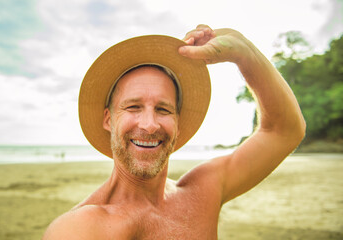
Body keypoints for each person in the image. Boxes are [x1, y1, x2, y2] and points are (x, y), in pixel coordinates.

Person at [42, 24, 306, 239]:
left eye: (163, 110)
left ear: (178, 124)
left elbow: (284, 131)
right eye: (133, 107)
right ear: (108, 119)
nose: (149, 124)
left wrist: (244, 52)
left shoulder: (202, 192)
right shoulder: (82, 229)